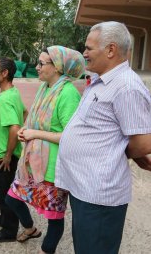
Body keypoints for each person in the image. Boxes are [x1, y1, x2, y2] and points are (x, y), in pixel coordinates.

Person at [55, 21, 151, 254]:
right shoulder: (100, 80)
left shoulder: (126, 87)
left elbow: (143, 142)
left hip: (99, 196)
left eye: (89, 48)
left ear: (110, 50)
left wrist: (119, 152)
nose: (84, 53)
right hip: (83, 189)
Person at [5, 46, 85, 253]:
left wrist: (36, 134)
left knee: (54, 218)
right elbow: (37, 121)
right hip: (32, 162)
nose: (37, 67)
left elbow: (72, 137)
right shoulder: (45, 87)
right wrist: (27, 130)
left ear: (57, 67)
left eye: (41, 63)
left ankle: (46, 250)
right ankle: (30, 228)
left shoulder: (68, 94)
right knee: (11, 199)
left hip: (52, 169)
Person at [0, 57, 27, 243]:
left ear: (5, 73)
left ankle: (9, 231)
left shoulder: (5, 99)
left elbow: (14, 127)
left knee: (4, 194)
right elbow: (24, 112)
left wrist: (8, 154)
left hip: (3, 155)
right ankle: (4, 219)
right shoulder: (13, 93)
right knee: (1, 189)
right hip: (6, 153)